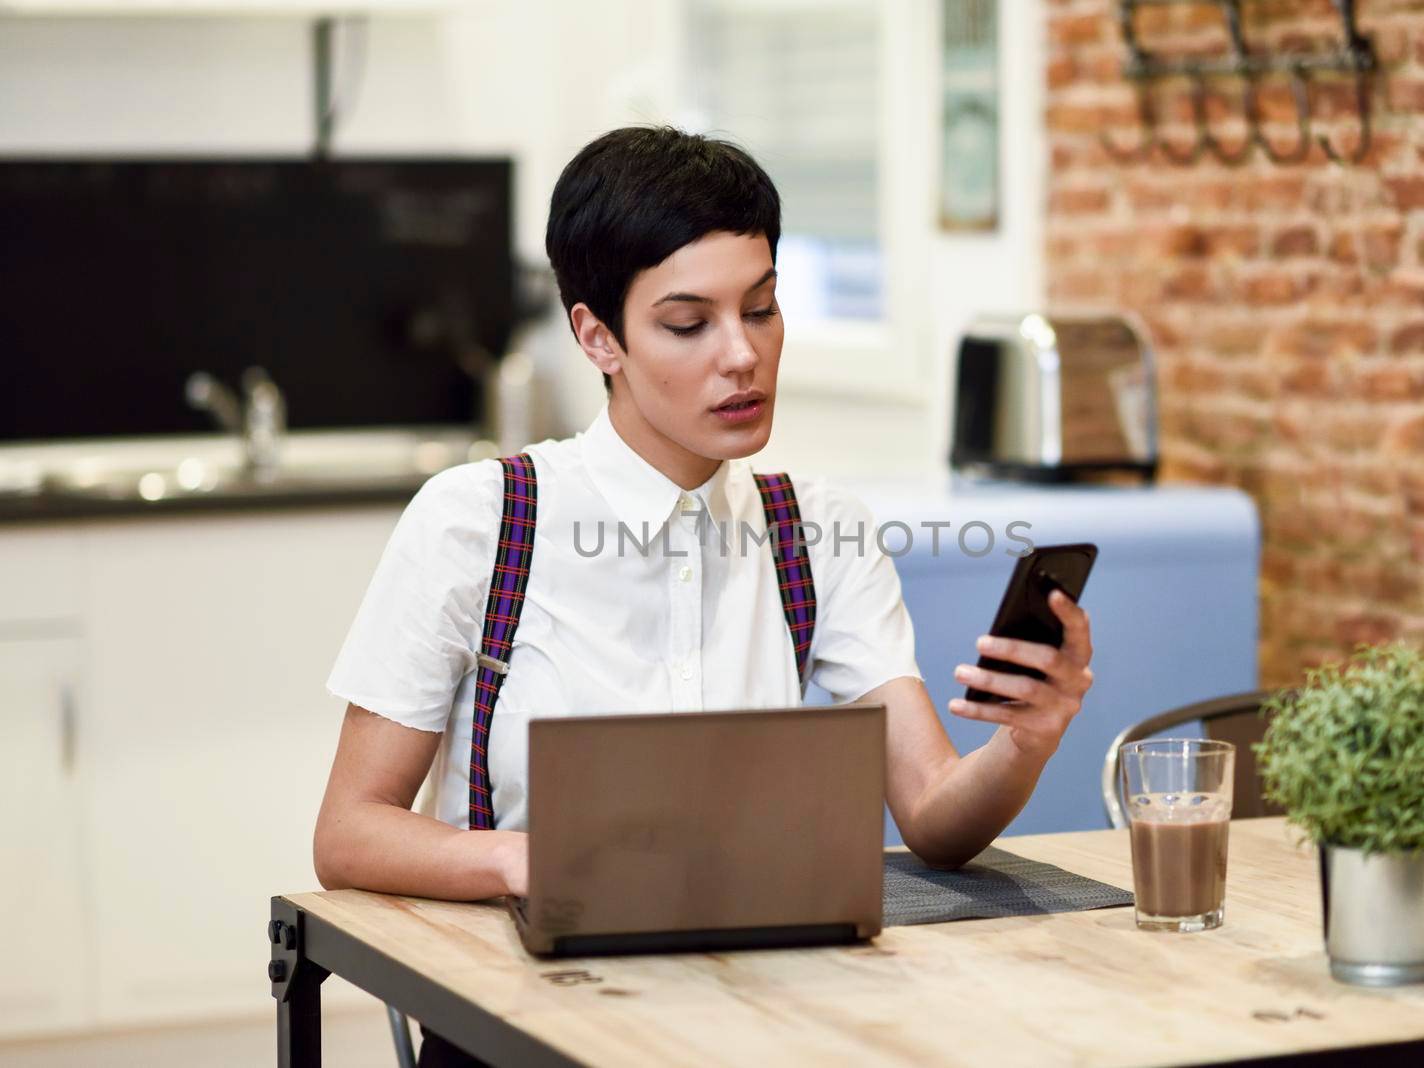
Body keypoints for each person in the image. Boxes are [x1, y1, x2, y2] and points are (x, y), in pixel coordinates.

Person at [314, 125, 1093, 1063]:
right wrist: (526, 859)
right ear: (597, 335)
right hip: (525, 1019)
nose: (742, 355)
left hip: (769, 1018)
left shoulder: (819, 530)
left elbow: (933, 820)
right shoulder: (481, 521)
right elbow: (350, 832)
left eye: (761, 309)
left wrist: (1025, 739)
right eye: (689, 323)